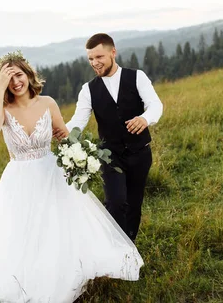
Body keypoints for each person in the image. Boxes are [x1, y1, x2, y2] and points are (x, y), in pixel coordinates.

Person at [0, 51, 143, 303]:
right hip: (19, 178)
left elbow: (63, 134)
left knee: (57, 224)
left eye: (18, 75)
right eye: (9, 80)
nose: (15, 82)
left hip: (50, 172)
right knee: (24, 230)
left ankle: (62, 269)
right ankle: (29, 277)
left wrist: (81, 154)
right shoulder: (4, 109)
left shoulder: (48, 103)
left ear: (28, 75)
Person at [59, 33, 163, 242]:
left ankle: (128, 248)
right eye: (90, 59)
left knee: (134, 204)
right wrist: (59, 131)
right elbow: (78, 121)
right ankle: (114, 248)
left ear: (112, 52)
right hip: (109, 156)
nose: (95, 63)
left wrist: (144, 119)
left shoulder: (136, 77)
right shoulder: (88, 90)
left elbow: (155, 104)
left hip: (140, 152)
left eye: (99, 57)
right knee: (115, 202)